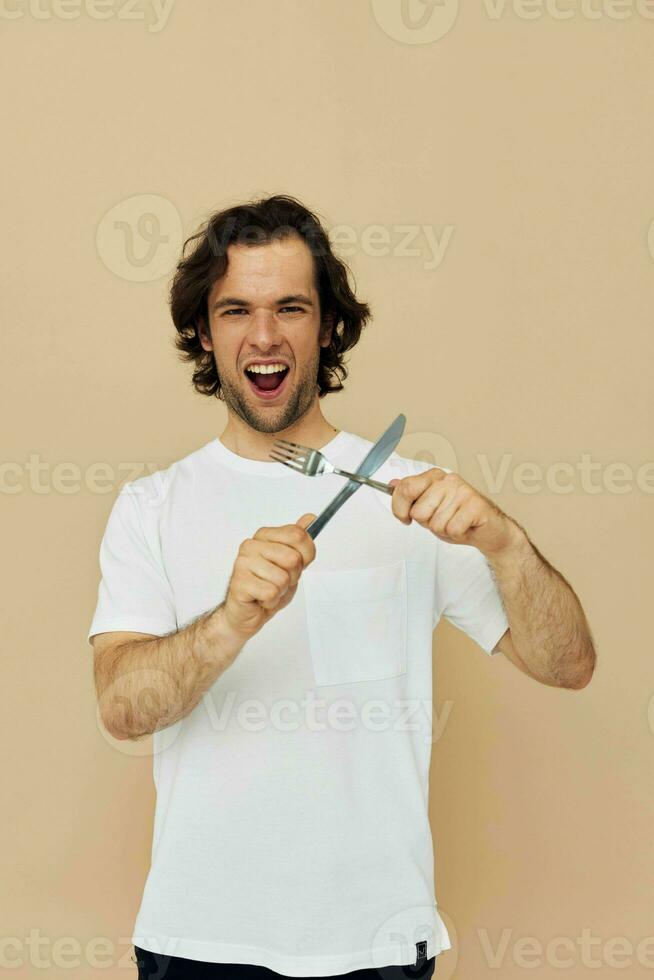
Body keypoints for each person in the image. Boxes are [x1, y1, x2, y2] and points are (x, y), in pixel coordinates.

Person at [87, 194, 596, 980]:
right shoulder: (151, 507)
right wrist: (229, 623)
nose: (264, 335)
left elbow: (569, 665)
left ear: (326, 327)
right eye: (235, 311)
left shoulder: (411, 497)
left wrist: (505, 541)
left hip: (379, 945)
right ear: (203, 332)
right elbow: (122, 710)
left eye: (291, 306)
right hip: (199, 941)